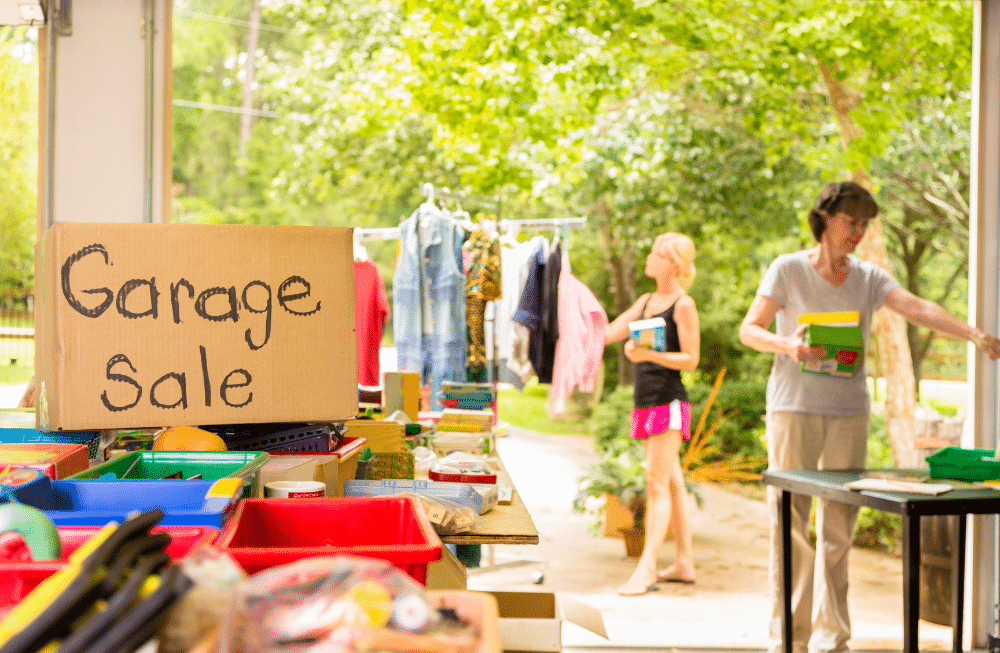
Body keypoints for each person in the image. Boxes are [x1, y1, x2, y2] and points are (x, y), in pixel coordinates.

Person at [738, 180, 1000, 653]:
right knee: (791, 524)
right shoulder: (788, 269)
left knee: (839, 528)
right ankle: (789, 639)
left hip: (848, 412)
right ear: (825, 220)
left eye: (863, 223)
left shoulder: (868, 277)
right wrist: (787, 345)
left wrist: (973, 334)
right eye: (849, 221)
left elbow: (917, 308)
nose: (857, 231)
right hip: (793, 407)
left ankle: (832, 638)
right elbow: (749, 329)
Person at [605, 232, 700, 595]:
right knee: (672, 484)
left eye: (657, 253)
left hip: (669, 401)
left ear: (674, 265)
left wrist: (647, 356)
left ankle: (646, 570)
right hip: (646, 402)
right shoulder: (646, 301)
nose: (649, 256)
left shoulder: (683, 305)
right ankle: (684, 563)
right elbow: (611, 332)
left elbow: (690, 360)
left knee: (656, 485)